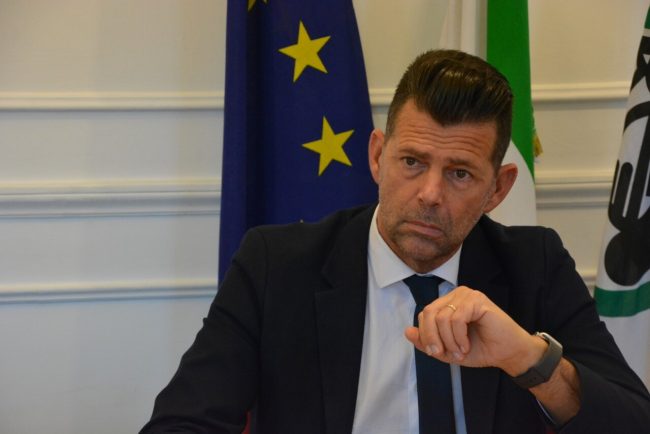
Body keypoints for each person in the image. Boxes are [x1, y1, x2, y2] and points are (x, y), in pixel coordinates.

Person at [141, 50, 650, 434]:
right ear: (377, 157)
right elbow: (182, 423)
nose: (429, 194)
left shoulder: (534, 265)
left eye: (459, 173)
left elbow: (632, 421)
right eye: (411, 162)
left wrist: (527, 357)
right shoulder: (276, 265)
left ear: (498, 189)